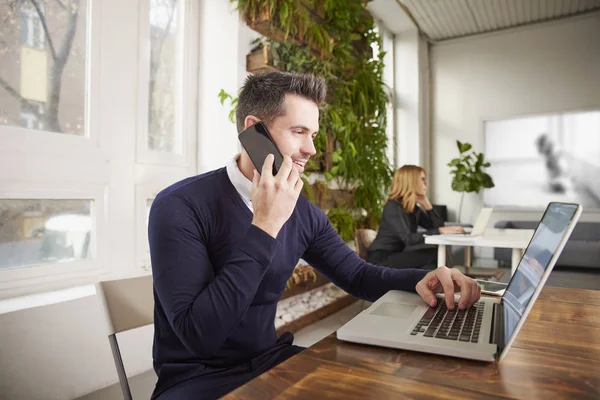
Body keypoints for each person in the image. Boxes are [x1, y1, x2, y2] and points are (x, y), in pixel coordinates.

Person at [148, 72, 481, 399]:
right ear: (253, 130)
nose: (311, 149)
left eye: (314, 135)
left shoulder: (303, 212)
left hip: (268, 362)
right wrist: (265, 224)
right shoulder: (179, 206)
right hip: (198, 381)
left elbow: (358, 275)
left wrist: (424, 279)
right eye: (298, 131)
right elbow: (200, 336)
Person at [367, 165, 465, 269]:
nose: (426, 184)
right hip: (382, 259)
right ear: (411, 182)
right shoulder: (393, 206)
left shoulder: (413, 208)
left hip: (397, 255)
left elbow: (438, 226)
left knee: (437, 257)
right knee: (435, 255)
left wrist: (427, 205)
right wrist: (440, 230)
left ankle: (429, 284)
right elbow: (408, 239)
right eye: (422, 180)